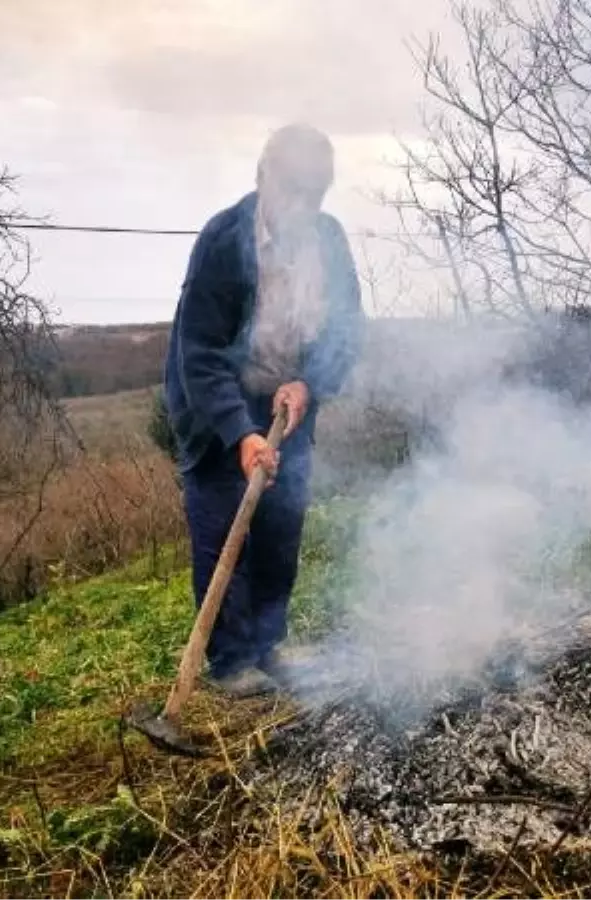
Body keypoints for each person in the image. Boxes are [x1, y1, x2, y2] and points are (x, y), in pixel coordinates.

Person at [163, 123, 364, 698]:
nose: (304, 207)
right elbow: (198, 355)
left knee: (281, 525)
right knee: (225, 524)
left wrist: (310, 383)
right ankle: (230, 661)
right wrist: (240, 433)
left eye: (316, 194)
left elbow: (347, 331)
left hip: (289, 400)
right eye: (295, 190)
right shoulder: (224, 240)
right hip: (216, 406)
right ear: (264, 177)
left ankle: (267, 646)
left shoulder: (329, 240)